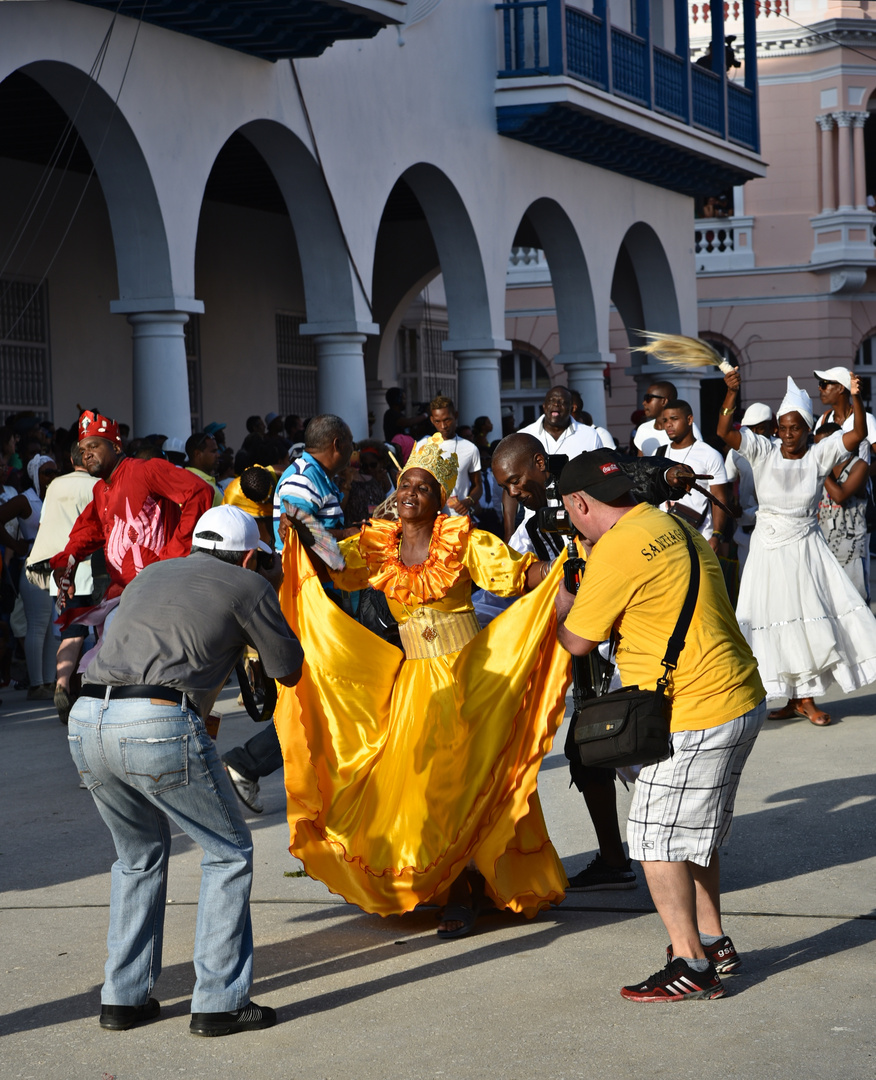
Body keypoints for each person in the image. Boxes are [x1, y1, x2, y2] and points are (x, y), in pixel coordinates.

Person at [274, 434, 571, 938]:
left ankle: (467, 885)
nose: (410, 492)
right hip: (416, 682)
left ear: (439, 499)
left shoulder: (463, 540)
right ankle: (441, 878)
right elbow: (334, 564)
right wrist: (301, 526)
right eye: (405, 484)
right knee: (422, 787)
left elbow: (518, 576)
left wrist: (571, 564)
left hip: (469, 676)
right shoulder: (376, 544)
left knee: (466, 780)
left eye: (423, 487)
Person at [67, 505, 303, 1036]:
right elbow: (288, 668)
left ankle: (123, 999)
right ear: (248, 555)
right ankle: (219, 1002)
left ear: (196, 543)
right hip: (154, 720)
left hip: (87, 718)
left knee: (137, 857)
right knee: (228, 852)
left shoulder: (152, 572)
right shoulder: (248, 584)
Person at [554, 451, 766, 1002]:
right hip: (736, 692)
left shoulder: (618, 550)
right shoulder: (668, 522)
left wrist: (558, 601)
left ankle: (691, 964)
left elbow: (579, 640)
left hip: (698, 709)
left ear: (579, 503)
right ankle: (714, 942)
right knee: (693, 833)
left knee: (655, 839)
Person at [492, 435, 711, 892]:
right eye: (503, 486)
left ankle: (668, 852)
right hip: (589, 645)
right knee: (591, 748)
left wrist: (669, 474)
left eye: (515, 480)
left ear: (538, 462)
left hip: (635, 638)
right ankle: (624, 857)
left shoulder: (588, 476)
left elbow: (640, 475)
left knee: (641, 741)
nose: (512, 490)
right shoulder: (533, 519)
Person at [718, 371, 876, 726]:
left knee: (806, 622)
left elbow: (858, 434)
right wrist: (731, 395)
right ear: (776, 428)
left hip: (805, 549)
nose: (789, 435)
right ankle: (791, 698)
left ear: (807, 428)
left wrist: (855, 399)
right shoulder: (762, 451)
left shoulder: (820, 455)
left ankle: (806, 698)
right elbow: (725, 433)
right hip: (766, 550)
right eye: (783, 428)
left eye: (796, 428)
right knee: (772, 619)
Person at [223, 416, 355, 814]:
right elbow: (308, 534)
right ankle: (248, 762)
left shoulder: (315, 475)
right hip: (313, 605)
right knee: (321, 698)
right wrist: (351, 550)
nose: (351, 452)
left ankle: (322, 778)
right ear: (336, 442)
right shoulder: (301, 480)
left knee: (327, 697)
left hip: (324, 601)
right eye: (348, 444)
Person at [49, 411, 215, 631]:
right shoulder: (100, 490)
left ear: (116, 447)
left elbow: (199, 491)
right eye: (82, 450)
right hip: (123, 595)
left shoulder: (146, 470)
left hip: (160, 592)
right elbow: (87, 531)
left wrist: (174, 554)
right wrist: (67, 564)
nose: (86, 454)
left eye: (94, 447)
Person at [25, 443, 99, 722]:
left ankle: (66, 688)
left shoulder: (55, 485)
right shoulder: (96, 484)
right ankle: (70, 686)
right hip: (88, 571)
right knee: (83, 634)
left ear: (70, 459)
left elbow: (45, 526)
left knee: (70, 632)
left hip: (59, 571)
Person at [503, 386, 603, 540]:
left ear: (572, 407)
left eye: (562, 402)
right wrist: (509, 532)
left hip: (579, 523)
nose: (556, 404)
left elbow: (600, 479)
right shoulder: (524, 436)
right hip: (535, 524)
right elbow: (511, 485)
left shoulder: (589, 435)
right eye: (551, 401)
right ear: (544, 406)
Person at [0, 454, 60, 698]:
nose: (51, 477)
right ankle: (36, 684)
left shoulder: (55, 498)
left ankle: (48, 682)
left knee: (52, 626)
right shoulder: (27, 500)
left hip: (55, 568)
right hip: (35, 568)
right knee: (37, 626)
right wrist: (16, 545)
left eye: (54, 472)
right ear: (35, 474)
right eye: (47, 472)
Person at [657, 400, 730, 551]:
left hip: (700, 537)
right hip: (664, 538)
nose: (668, 425)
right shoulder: (659, 454)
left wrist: (717, 535)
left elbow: (719, 498)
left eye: (674, 419)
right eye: (665, 420)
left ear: (689, 419)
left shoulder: (709, 455)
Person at [815, 423, 869, 600]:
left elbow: (840, 496)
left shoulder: (859, 466)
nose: (818, 452)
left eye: (822, 446)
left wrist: (821, 469)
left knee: (856, 609)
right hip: (824, 551)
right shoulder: (821, 471)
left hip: (851, 553)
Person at [723, 403, 773, 576]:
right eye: (751, 429)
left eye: (760, 428)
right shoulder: (736, 452)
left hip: (775, 524)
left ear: (770, 427)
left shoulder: (781, 449)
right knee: (747, 578)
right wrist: (731, 506)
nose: (755, 434)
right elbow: (726, 483)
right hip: (746, 527)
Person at [415, 395, 482, 515]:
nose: (443, 426)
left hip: (457, 521)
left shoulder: (470, 449)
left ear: (456, 415)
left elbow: (478, 486)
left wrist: (468, 501)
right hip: (429, 519)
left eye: (447, 420)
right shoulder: (422, 445)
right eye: (437, 421)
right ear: (431, 420)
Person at [633, 380, 703, 457]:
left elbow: (698, 459)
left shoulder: (687, 427)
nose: (644, 403)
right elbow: (640, 464)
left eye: (648, 398)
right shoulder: (643, 429)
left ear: (664, 401)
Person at [185, 431, 223, 506]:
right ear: (197, 454)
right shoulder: (195, 484)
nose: (218, 455)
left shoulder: (205, 480)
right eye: (213, 451)